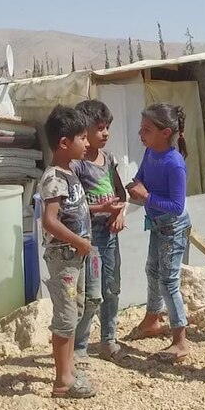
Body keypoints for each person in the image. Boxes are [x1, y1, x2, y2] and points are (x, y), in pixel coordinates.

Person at [127, 103, 191, 364]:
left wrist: (147, 197)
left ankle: (181, 341)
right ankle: (152, 320)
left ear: (165, 133)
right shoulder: (150, 153)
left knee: (168, 281)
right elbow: (140, 178)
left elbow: (177, 206)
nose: (141, 135)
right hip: (156, 225)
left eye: (146, 130)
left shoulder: (174, 164)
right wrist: (135, 187)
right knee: (152, 271)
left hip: (172, 228)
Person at [39, 105, 96, 399]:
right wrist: (77, 241)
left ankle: (70, 370)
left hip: (76, 256)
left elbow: (74, 210)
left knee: (74, 312)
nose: (87, 144)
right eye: (82, 138)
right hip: (64, 258)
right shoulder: (54, 178)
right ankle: (62, 381)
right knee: (65, 316)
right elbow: (49, 221)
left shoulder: (69, 172)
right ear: (64, 143)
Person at [72, 100, 128, 365]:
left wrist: (119, 213)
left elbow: (121, 194)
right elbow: (75, 205)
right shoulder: (78, 165)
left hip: (110, 236)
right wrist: (101, 208)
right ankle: (79, 346)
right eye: (99, 128)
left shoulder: (109, 160)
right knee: (92, 294)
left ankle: (108, 341)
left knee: (111, 288)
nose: (105, 133)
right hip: (90, 238)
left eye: (107, 128)